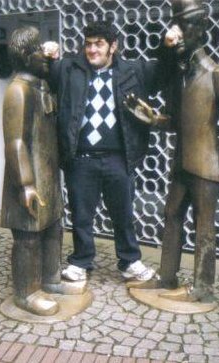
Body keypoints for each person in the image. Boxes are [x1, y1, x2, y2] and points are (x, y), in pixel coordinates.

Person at [126, 0, 219, 302]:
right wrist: (154, 119)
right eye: (175, 26)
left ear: (199, 29)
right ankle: (167, 277)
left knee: (203, 226)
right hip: (181, 164)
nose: (176, 34)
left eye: (183, 27)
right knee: (171, 215)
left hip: (205, 166)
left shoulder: (213, 73)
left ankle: (202, 288)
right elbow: (177, 121)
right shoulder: (180, 73)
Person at [45, 21, 180, 282]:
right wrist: (47, 53)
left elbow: (164, 71)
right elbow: (43, 71)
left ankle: (129, 261)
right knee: (81, 214)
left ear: (113, 46)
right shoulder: (69, 69)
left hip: (119, 158)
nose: (92, 50)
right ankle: (81, 261)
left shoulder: (134, 71)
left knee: (123, 214)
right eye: (88, 44)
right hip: (81, 159)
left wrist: (168, 47)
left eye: (99, 44)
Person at [0, 26, 85, 316]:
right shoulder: (18, 91)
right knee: (27, 238)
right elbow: (15, 143)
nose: (45, 53)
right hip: (28, 178)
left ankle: (50, 279)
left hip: (47, 173)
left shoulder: (41, 84)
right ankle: (26, 292)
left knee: (53, 228)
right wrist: (25, 184)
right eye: (39, 50)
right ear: (25, 57)